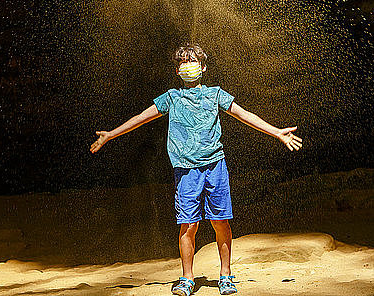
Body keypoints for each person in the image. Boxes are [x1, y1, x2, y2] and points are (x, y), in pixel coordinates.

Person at [91, 43, 303, 296]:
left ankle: (225, 276)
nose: (188, 66)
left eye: (192, 62)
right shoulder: (171, 97)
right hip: (185, 171)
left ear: (203, 67)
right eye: (183, 63)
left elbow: (244, 114)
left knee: (220, 221)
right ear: (177, 70)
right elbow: (140, 118)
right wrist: (111, 135)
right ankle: (187, 279)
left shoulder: (215, 94)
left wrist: (276, 132)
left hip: (215, 165)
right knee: (188, 225)